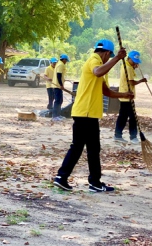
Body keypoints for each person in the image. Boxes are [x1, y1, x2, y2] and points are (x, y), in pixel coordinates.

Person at [53, 39, 134, 193]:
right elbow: (97, 71)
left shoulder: (101, 66)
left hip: (88, 113)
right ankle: (68, 178)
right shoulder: (94, 60)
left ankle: (85, 181)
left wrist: (125, 94)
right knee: (81, 147)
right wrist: (117, 58)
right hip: (86, 112)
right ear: (106, 53)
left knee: (91, 148)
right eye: (109, 57)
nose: (108, 60)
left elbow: (106, 91)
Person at [114, 50, 147, 144]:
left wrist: (134, 67)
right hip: (126, 95)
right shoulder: (127, 68)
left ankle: (118, 135)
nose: (135, 63)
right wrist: (141, 80)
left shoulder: (127, 65)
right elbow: (131, 82)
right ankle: (133, 137)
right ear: (128, 58)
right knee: (132, 117)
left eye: (136, 62)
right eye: (134, 61)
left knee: (123, 117)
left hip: (125, 95)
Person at [51, 54, 70, 121]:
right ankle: (55, 116)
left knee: (60, 100)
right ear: (64, 59)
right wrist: (61, 84)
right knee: (57, 101)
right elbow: (58, 75)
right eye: (66, 61)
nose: (66, 62)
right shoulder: (61, 65)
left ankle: (58, 115)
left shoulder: (59, 64)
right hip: (57, 86)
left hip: (58, 85)